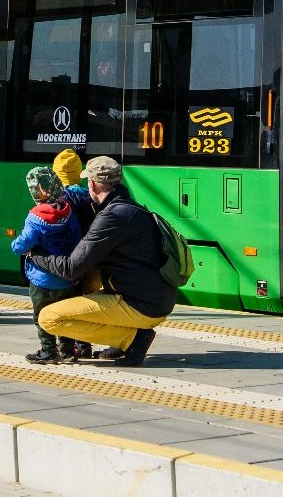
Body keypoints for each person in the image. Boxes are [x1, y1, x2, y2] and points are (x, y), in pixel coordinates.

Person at [27, 156, 176, 367]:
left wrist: (36, 256)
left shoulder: (111, 217)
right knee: (88, 283)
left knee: (48, 318)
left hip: (142, 305)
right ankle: (128, 338)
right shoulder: (128, 207)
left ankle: (131, 339)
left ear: (92, 183)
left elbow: (71, 269)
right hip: (156, 297)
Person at [11, 167, 89, 364]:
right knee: (65, 316)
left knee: (42, 316)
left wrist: (16, 245)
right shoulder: (69, 213)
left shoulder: (36, 218)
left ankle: (48, 351)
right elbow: (77, 239)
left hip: (42, 280)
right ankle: (68, 352)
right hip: (67, 278)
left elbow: (23, 244)